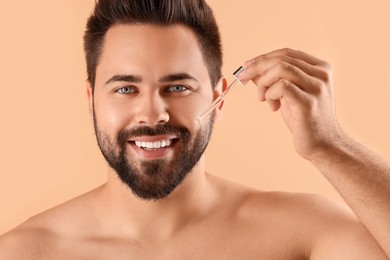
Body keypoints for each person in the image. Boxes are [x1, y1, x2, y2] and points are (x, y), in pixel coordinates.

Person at [1, 0, 389, 258]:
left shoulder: (302, 235)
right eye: (125, 88)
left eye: (178, 87)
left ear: (218, 97)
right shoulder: (25, 252)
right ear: (91, 100)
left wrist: (330, 146)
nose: (152, 114)